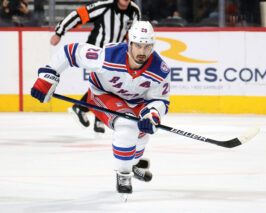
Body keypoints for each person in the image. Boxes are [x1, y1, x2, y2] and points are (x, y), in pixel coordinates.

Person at [31, 21, 171, 196]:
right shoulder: (108, 56)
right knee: (127, 126)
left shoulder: (160, 69)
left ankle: (132, 165)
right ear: (130, 43)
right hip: (103, 95)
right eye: (138, 46)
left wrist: (152, 114)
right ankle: (123, 173)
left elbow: (160, 99)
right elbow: (70, 52)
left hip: (136, 102)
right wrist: (49, 74)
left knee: (142, 133)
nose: (142, 52)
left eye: (147, 46)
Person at [50, 0, 141, 133]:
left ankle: (95, 115)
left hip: (117, 54)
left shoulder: (134, 11)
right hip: (97, 51)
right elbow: (79, 15)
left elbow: (134, 34)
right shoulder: (104, 6)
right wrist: (59, 31)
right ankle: (82, 108)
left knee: (111, 85)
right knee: (109, 83)